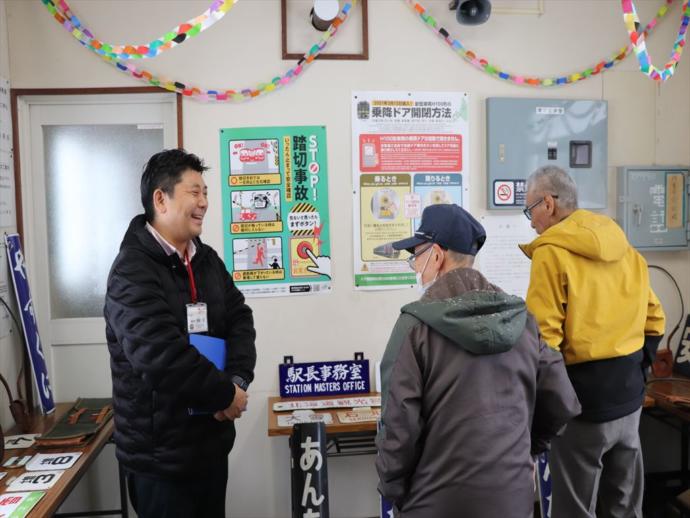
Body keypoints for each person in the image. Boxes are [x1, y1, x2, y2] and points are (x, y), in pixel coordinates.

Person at [376, 203, 581, 518]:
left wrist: (395, 490)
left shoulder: (414, 327)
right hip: (513, 500)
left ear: (437, 255)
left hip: (435, 502)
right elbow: (563, 401)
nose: (416, 266)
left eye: (417, 256)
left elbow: (398, 428)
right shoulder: (523, 321)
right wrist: (528, 448)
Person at [104, 149, 257, 518]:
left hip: (210, 445)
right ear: (161, 198)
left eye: (205, 192)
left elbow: (240, 319)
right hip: (160, 461)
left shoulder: (206, 260)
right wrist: (225, 394)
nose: (204, 202)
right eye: (194, 192)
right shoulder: (132, 271)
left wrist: (236, 380)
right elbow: (161, 358)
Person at [519, 165, 666, 518]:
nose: (530, 221)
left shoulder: (550, 253)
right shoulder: (621, 243)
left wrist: (548, 405)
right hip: (630, 399)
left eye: (530, 210)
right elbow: (655, 317)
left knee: (576, 509)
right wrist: (636, 369)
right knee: (626, 507)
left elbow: (544, 341)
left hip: (581, 407)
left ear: (549, 204)